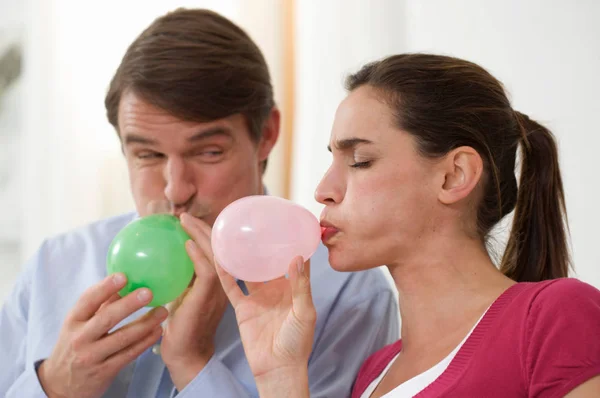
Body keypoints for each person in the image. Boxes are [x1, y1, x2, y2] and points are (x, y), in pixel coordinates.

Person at [0, 8, 400, 398]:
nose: (176, 190)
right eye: (148, 155)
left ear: (266, 134)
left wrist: (195, 364)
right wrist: (53, 386)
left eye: (207, 152)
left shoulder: (348, 294)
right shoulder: (55, 267)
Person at [215, 53, 600, 397]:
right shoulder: (373, 374)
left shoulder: (556, 317)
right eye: (332, 160)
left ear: (453, 175)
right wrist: (281, 378)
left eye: (360, 160)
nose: (322, 191)